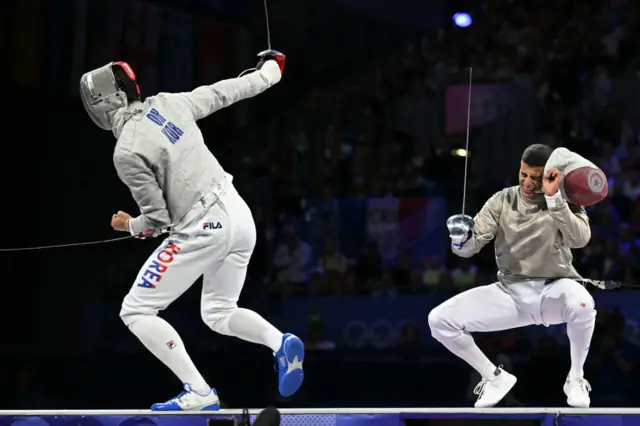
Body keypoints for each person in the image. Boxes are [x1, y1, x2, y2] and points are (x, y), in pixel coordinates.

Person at [79, 52, 305, 411]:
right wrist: (270, 73)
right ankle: (280, 342)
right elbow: (223, 92)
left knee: (135, 311)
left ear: (106, 104)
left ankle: (199, 391)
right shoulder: (169, 103)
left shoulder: (126, 151)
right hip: (238, 214)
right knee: (218, 313)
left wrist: (128, 225)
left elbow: (157, 220)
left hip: (203, 227)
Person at [429, 144, 595, 408]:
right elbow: (469, 249)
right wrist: (459, 238)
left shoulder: (566, 199)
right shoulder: (502, 200)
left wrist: (555, 200)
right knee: (439, 320)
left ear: (551, 175)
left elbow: (580, 239)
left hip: (555, 290)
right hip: (510, 293)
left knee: (584, 305)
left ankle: (575, 377)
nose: (528, 183)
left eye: (536, 177)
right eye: (524, 175)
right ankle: (494, 377)